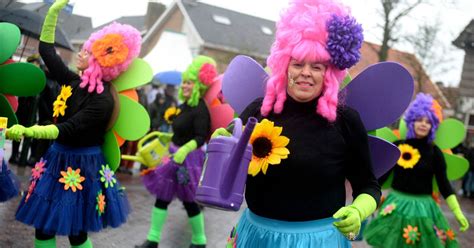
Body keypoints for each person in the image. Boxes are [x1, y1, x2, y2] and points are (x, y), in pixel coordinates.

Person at [214, 0, 381, 247]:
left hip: (318, 240)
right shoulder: (258, 111)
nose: (306, 72)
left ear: (329, 73)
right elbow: (226, 170)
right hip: (256, 236)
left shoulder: (346, 120)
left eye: (316, 66)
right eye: (298, 63)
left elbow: (369, 185)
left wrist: (358, 211)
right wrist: (220, 145)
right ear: (284, 67)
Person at [6, 0, 141, 247]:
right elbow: (48, 52)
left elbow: (70, 127)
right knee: (43, 228)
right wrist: (52, 14)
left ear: (100, 61)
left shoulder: (103, 99)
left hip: (82, 166)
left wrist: (29, 130)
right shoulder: (73, 82)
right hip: (57, 158)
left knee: (76, 233)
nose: (80, 53)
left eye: (86, 52)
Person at [364, 93, 470, 247]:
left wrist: (457, 211)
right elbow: (380, 178)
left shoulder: (435, 152)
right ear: (411, 121)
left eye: (428, 122)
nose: (423, 124)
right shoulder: (398, 146)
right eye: (419, 119)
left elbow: (444, 184)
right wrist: (363, 202)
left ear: (432, 126)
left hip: (424, 209)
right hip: (397, 206)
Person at [137, 56, 214, 248]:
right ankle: (153, 239)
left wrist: (186, 149)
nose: (184, 86)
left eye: (189, 83)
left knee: (189, 201)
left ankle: (199, 240)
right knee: (162, 196)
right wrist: (166, 138)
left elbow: (200, 136)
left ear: (198, 85)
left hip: (188, 160)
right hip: (172, 155)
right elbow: (179, 129)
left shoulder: (200, 109)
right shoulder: (184, 106)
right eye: (184, 82)